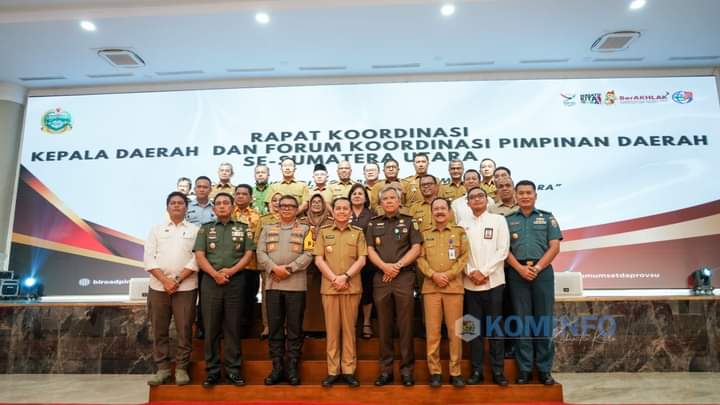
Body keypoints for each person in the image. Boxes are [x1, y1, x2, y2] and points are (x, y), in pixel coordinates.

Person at [194, 192, 255, 387]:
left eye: (225, 203)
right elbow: (200, 256)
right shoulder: (205, 229)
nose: (222, 206)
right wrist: (215, 274)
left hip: (235, 281)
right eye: (218, 204)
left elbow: (248, 254)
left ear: (232, 207)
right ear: (213, 209)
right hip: (210, 282)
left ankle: (233, 370)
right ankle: (212, 372)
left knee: (232, 327)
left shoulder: (243, 228)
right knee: (211, 327)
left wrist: (230, 271)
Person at [505, 180, 562, 385]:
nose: (525, 196)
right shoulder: (507, 220)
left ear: (535, 195)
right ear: (516, 196)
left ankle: (545, 370)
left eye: (529, 193)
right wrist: (520, 269)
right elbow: (504, 250)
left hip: (542, 273)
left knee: (543, 322)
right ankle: (525, 369)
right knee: (522, 323)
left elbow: (554, 247)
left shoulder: (547, 218)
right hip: (517, 273)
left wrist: (537, 268)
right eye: (521, 193)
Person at [366, 186, 422, 387]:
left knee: (406, 326)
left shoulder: (409, 221)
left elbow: (416, 248)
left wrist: (397, 267)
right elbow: (370, 249)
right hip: (381, 278)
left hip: (404, 277)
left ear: (399, 201)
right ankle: (386, 371)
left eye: (393, 198)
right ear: (380, 203)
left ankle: (407, 371)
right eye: (385, 198)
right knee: (384, 324)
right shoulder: (373, 224)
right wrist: (384, 267)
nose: (389, 201)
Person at [256, 195, 313, 386]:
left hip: (296, 285)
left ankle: (292, 367)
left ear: (297, 209)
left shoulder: (306, 230)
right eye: (283, 206)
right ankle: (277, 367)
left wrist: (289, 269)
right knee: (275, 328)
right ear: (278, 209)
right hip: (273, 285)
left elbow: (309, 253)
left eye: (291, 206)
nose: (287, 209)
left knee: (295, 328)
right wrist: (274, 268)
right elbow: (260, 253)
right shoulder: (267, 229)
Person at [145, 192, 200, 387]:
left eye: (180, 203)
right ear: (167, 207)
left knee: (184, 329)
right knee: (159, 329)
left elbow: (197, 259)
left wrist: (176, 280)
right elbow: (149, 258)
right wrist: (165, 280)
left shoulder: (195, 230)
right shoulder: (156, 230)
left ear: (186, 207)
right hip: (158, 287)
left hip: (185, 287)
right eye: (172, 203)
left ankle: (182, 368)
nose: (176, 206)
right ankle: (163, 369)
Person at [314, 197, 367, 388]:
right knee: (332, 331)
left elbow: (361, 260)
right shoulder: (324, 232)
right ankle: (332, 371)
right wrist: (334, 279)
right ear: (333, 212)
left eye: (346, 208)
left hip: (351, 288)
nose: (342, 211)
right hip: (330, 289)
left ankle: (348, 370)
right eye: (339, 208)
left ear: (350, 212)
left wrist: (344, 277)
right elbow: (319, 260)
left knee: (349, 331)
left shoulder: (358, 233)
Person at [459, 187, 510, 386]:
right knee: (472, 331)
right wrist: (470, 271)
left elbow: (503, 250)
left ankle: (498, 371)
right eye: (472, 197)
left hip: (494, 283)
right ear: (467, 203)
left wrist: (484, 272)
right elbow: (459, 254)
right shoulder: (461, 225)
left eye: (480, 196)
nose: (477, 199)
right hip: (469, 285)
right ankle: (476, 371)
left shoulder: (498, 221)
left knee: (496, 330)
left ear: (486, 200)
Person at [416, 197, 468, 388]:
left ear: (449, 211)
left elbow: (464, 256)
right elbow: (419, 259)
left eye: (442, 208)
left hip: (453, 289)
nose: (439, 211)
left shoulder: (459, 232)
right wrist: (433, 274)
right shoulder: (424, 233)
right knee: (433, 333)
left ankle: (455, 372)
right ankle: (435, 371)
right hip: (431, 289)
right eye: (435, 208)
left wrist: (449, 274)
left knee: (456, 333)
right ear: (431, 212)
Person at [298, 193, 334, 336]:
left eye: (320, 202)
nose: (317, 204)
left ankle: (324, 329)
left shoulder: (331, 222)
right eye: (314, 202)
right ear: (309, 205)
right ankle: (308, 328)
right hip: (306, 268)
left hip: (326, 266)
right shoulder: (302, 222)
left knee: (324, 300)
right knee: (308, 300)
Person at [185, 175, 215, 339]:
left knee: (206, 296)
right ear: (194, 189)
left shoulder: (216, 208)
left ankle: (203, 327)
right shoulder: (186, 207)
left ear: (210, 189)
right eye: (199, 186)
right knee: (188, 295)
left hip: (208, 258)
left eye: (205, 187)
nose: (202, 189)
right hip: (187, 256)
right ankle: (188, 327)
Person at [232, 184, 262, 338]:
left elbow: (257, 241)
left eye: (244, 194)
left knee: (249, 298)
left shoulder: (257, 217)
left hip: (250, 265)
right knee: (232, 300)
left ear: (250, 197)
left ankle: (246, 332)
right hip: (230, 266)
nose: (241, 196)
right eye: (238, 193)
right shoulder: (227, 214)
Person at [348, 183, 376, 339]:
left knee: (367, 292)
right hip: (346, 260)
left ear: (365, 198)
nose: (357, 195)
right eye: (354, 193)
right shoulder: (344, 211)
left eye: (360, 193)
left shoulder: (372, 214)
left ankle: (366, 322)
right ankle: (350, 323)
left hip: (367, 260)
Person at [254, 192, 283, 339]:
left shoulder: (294, 220)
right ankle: (267, 325)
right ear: (269, 203)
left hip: (286, 265)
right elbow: (257, 242)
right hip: (268, 265)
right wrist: (269, 264)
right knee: (267, 296)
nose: (277, 203)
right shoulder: (264, 220)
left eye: (280, 200)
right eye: (274, 200)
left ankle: (284, 326)